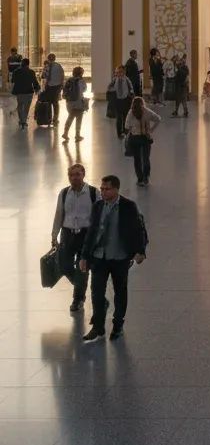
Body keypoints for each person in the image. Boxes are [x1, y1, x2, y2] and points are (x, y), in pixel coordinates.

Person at [79, 174, 147, 341]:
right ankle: (98, 327)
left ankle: (118, 324)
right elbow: (91, 233)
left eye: (107, 189)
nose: (103, 192)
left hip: (119, 257)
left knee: (120, 291)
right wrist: (84, 256)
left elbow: (138, 230)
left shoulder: (128, 206)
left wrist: (140, 251)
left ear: (116, 189)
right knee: (96, 292)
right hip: (99, 257)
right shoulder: (98, 206)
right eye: (102, 189)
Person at [51, 163, 98, 313]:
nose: (74, 178)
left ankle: (78, 299)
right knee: (64, 266)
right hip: (67, 234)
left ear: (83, 175)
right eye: (71, 175)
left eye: (77, 174)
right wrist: (54, 235)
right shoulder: (64, 193)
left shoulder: (93, 193)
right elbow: (59, 214)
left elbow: (99, 216)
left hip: (86, 235)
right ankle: (80, 285)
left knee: (82, 267)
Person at [124, 96, 160, 186]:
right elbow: (158, 119)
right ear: (142, 103)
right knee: (146, 158)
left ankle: (139, 179)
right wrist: (151, 130)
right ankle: (146, 177)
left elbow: (126, 126)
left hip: (134, 138)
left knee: (137, 159)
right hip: (145, 138)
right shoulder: (147, 111)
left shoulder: (131, 112)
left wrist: (131, 129)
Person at [11, 57, 40, 129]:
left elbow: (13, 81)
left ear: (21, 64)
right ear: (28, 64)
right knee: (27, 107)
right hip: (29, 92)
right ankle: (24, 121)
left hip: (19, 92)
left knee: (20, 106)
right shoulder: (31, 72)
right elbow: (35, 82)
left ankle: (21, 121)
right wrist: (37, 89)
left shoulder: (16, 71)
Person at [61, 65, 88, 141]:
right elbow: (84, 89)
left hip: (69, 102)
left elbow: (65, 89)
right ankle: (77, 135)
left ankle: (65, 133)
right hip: (78, 102)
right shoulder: (81, 81)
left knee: (70, 117)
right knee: (79, 119)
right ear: (81, 73)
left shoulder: (69, 80)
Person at [107, 65, 134, 138]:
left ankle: (125, 131)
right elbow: (109, 87)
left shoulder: (127, 79)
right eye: (117, 72)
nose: (119, 73)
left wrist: (130, 94)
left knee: (125, 117)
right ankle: (119, 133)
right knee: (119, 118)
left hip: (125, 101)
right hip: (117, 101)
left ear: (124, 72)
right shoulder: (114, 80)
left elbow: (131, 88)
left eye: (121, 72)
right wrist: (114, 90)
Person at [41, 53, 65, 127]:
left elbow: (43, 76)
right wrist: (61, 85)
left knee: (48, 102)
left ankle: (49, 118)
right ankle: (55, 118)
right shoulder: (59, 66)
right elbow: (62, 76)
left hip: (49, 87)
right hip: (57, 87)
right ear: (55, 58)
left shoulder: (46, 66)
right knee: (55, 103)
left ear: (48, 59)